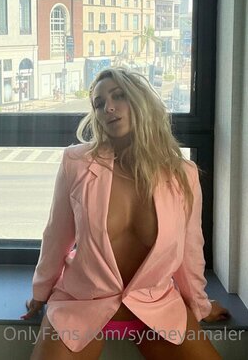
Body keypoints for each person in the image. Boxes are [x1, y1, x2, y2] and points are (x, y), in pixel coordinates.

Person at [21, 68, 229, 359]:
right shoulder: (77, 163)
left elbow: (190, 250)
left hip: (154, 307)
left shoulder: (183, 174)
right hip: (81, 304)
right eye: (99, 103)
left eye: (119, 96)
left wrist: (199, 305)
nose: (108, 107)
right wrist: (40, 293)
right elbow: (57, 235)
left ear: (141, 102)